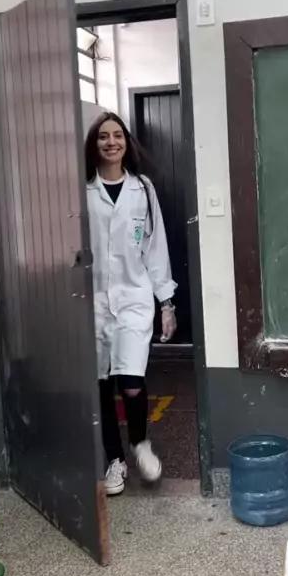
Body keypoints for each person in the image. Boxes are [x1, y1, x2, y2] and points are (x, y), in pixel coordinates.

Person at [85, 111, 177, 496]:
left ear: (126, 142)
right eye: (103, 136)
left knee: (132, 382)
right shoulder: (83, 190)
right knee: (102, 384)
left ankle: (140, 444)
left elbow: (155, 248)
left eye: (117, 135)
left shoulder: (142, 188)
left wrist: (166, 302)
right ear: (94, 144)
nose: (111, 142)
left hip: (135, 298)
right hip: (93, 302)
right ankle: (115, 461)